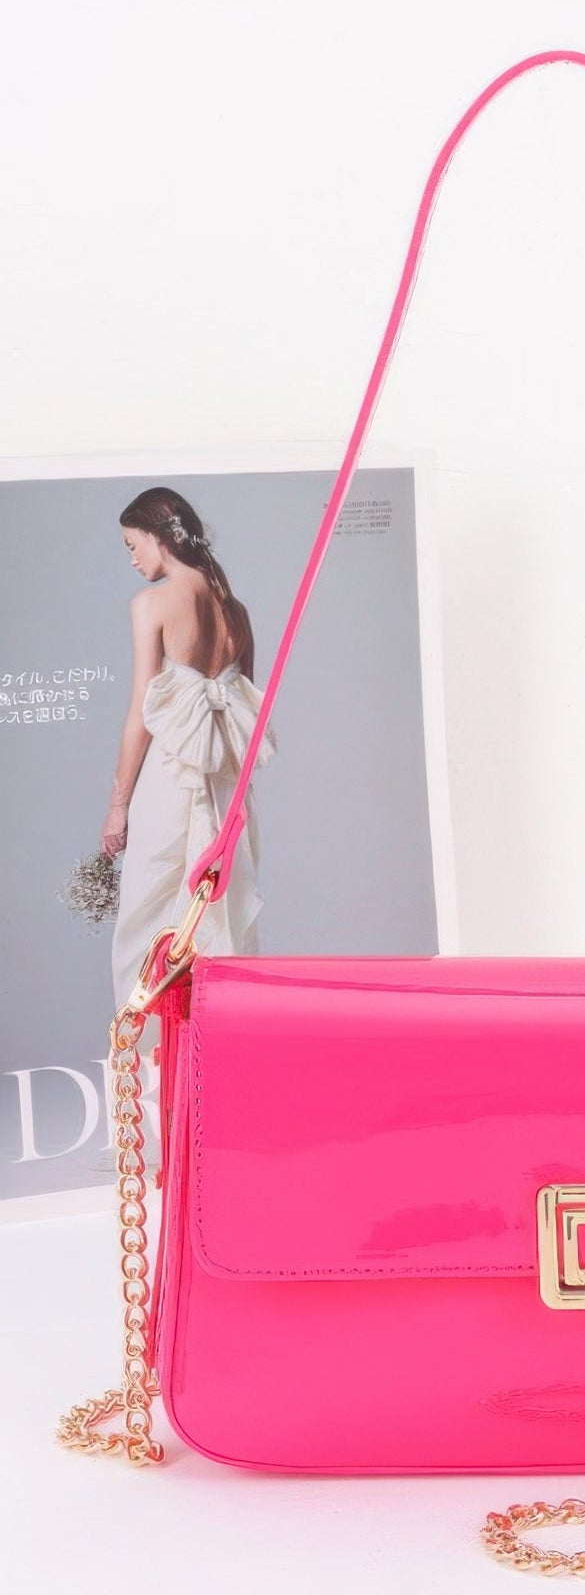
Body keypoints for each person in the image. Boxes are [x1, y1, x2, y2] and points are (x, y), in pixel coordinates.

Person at [99, 486, 277, 1169]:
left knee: (145, 934)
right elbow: (245, 715)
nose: (130, 559)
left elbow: (141, 715)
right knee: (215, 933)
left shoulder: (152, 604)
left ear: (158, 535)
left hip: (171, 785)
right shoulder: (236, 611)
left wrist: (118, 804)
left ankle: (151, 1126)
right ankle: (218, 1115)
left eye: (131, 545)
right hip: (226, 791)